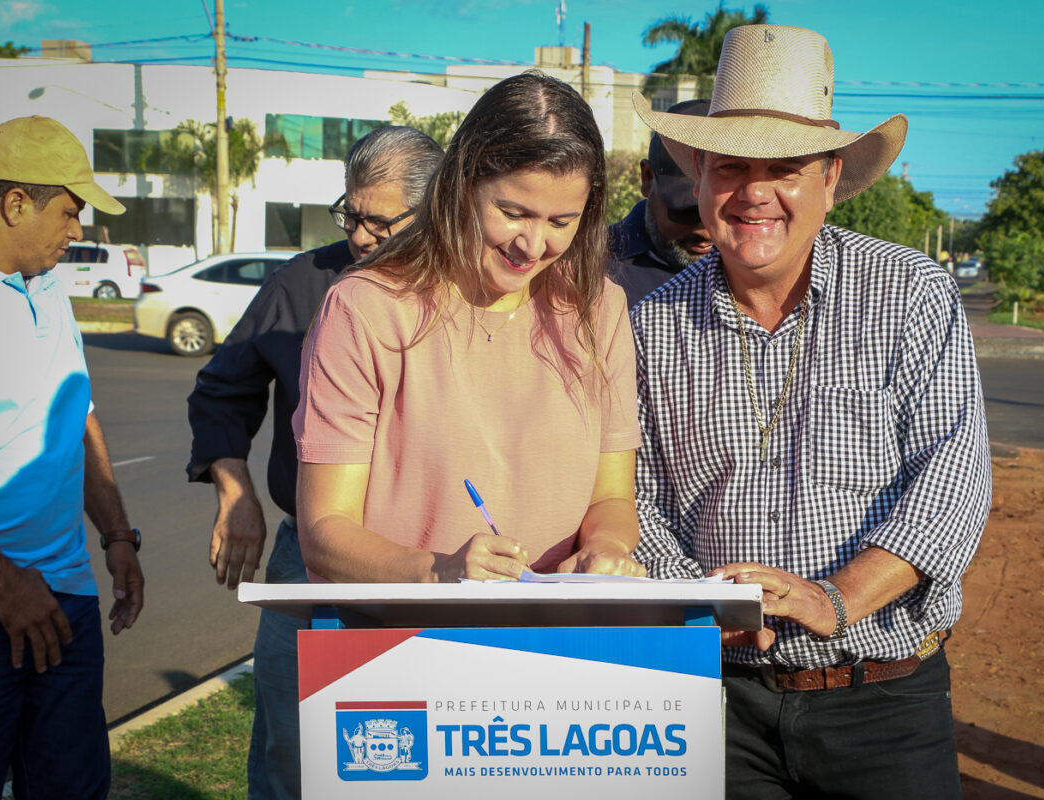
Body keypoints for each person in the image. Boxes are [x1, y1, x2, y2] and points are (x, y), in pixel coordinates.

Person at [629, 26, 990, 800]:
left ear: (829, 177)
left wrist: (835, 598)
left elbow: (952, 485)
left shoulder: (909, 292)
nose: (755, 192)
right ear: (698, 174)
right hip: (717, 704)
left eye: (784, 169)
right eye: (731, 167)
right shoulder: (649, 325)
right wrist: (705, 602)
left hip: (883, 698)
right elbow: (632, 496)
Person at [293, 72, 643, 587]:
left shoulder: (600, 310)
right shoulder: (365, 308)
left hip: (562, 642)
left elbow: (612, 498)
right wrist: (440, 570)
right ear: (461, 184)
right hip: (399, 645)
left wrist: (606, 549)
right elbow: (325, 531)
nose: (533, 244)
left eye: (561, 222)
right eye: (512, 213)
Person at [186, 125, 443, 800]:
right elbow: (222, 389)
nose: (359, 236)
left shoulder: (469, 292)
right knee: (295, 747)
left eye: (379, 222)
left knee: (424, 747)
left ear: (438, 207)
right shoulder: (301, 284)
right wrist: (235, 489)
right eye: (350, 214)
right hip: (310, 558)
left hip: (435, 560)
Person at [0, 116, 146, 800]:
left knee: (71, 787)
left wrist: (118, 537)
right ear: (15, 203)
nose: (78, 232)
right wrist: (4, 583)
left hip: (65, 598)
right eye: (69, 212)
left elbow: (78, 418)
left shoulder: (46, 286)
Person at [608, 99, 713, 307]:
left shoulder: (751, 263)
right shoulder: (591, 267)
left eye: (719, 213)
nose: (706, 233)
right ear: (647, 178)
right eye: (687, 211)